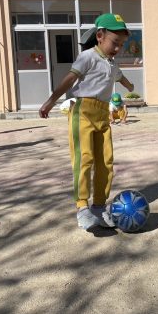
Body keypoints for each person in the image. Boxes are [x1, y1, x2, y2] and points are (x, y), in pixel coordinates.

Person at [39, 13, 135, 230]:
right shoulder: (87, 57)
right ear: (100, 36)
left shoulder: (111, 63)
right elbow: (69, 79)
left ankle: (99, 207)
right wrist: (51, 101)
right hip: (83, 111)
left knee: (105, 161)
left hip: (102, 114)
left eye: (121, 44)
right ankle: (82, 207)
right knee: (85, 158)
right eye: (115, 43)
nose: (118, 48)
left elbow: (119, 76)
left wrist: (129, 86)